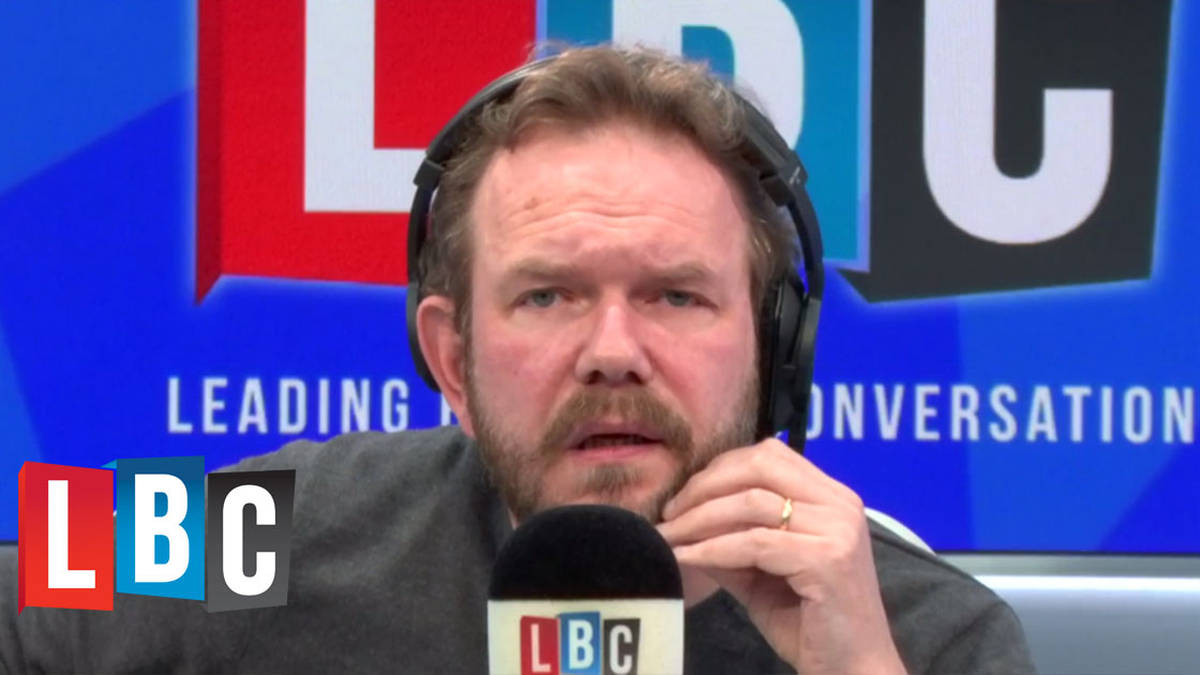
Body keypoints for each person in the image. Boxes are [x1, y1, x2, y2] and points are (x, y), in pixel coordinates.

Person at [0, 46, 1034, 674]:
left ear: (771, 347)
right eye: (548, 296)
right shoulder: (288, 525)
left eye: (675, 296)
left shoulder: (917, 633)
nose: (613, 353)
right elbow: (29, 578)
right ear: (451, 358)